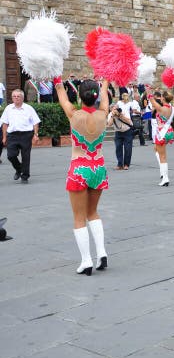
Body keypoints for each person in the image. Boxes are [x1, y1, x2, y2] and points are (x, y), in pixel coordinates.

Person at [55, 78, 110, 276]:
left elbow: (61, 93)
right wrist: (105, 80)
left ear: (79, 95)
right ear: (95, 96)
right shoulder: (104, 113)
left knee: (79, 217)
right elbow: (104, 94)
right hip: (99, 168)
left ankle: (86, 261)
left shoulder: (74, 114)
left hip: (80, 169)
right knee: (93, 212)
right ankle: (102, 252)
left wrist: (56, 78)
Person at [1, 89, 41, 183]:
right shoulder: (8, 108)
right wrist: (4, 137)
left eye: (18, 96)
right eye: (14, 96)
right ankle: (19, 169)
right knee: (11, 155)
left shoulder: (29, 108)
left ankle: (25, 176)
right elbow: (5, 124)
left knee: (26, 156)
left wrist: (35, 135)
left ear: (22, 98)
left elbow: (35, 122)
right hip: (12, 135)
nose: (16, 98)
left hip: (26, 135)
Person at [147, 88, 174, 187]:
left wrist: (147, 88)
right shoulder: (172, 107)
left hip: (161, 133)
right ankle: (163, 173)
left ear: (163, 98)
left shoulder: (160, 108)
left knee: (162, 157)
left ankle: (165, 178)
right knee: (156, 149)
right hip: (169, 132)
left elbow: (151, 99)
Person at [108, 96, 135, 171]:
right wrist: (113, 116)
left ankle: (126, 164)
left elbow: (129, 121)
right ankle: (120, 164)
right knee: (118, 148)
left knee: (128, 148)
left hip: (127, 131)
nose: (116, 110)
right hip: (118, 132)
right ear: (111, 109)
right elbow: (109, 124)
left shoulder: (123, 111)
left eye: (117, 108)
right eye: (114, 108)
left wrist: (120, 115)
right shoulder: (110, 114)